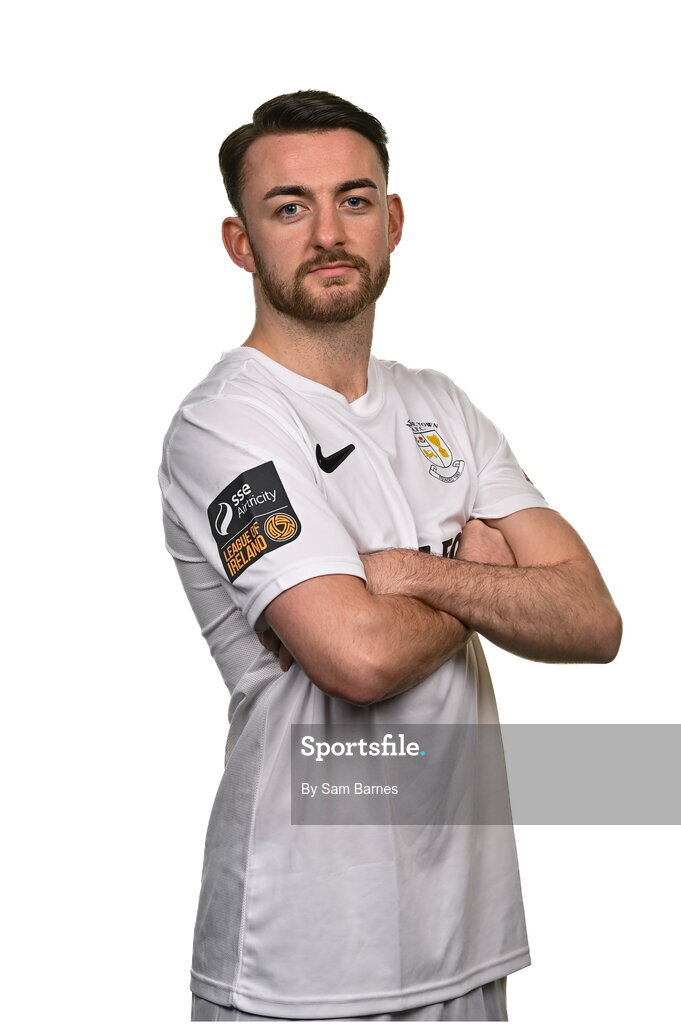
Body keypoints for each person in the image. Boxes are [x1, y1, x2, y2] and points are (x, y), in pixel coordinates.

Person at [158, 90, 622, 1023]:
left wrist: (409, 571)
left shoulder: (439, 405)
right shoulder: (227, 424)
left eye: (354, 200)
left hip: (465, 942)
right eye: (289, 207)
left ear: (393, 220)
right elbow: (356, 657)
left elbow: (591, 620)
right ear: (240, 241)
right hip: (304, 963)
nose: (327, 232)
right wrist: (484, 571)